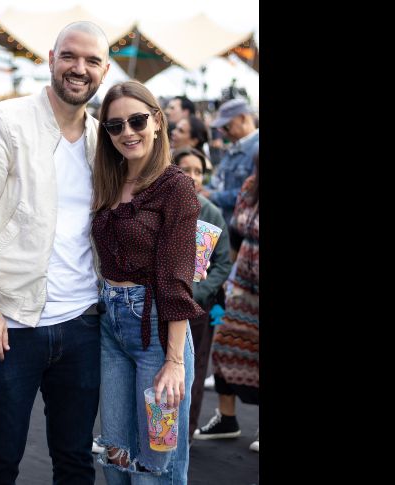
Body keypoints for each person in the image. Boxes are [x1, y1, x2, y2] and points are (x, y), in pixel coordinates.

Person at [0, 21, 111, 484]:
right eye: (69, 56)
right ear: (52, 58)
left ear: (104, 70)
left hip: (83, 323)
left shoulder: (103, 140)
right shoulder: (4, 122)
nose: (79, 68)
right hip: (10, 325)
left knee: (75, 460)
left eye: (92, 61)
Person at [91, 80, 204, 484]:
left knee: (156, 465)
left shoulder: (176, 187)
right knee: (116, 455)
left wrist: (174, 361)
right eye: (115, 125)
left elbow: (176, 280)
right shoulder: (107, 179)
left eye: (137, 121)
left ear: (157, 121)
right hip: (111, 328)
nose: (127, 132)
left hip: (158, 333)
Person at [194, 151, 259, 453]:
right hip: (242, 287)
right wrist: (224, 279)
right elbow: (235, 235)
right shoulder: (250, 187)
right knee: (224, 348)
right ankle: (227, 418)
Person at [171, 147, 232, 443]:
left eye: (198, 171)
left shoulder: (210, 212)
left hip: (197, 307)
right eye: (186, 169)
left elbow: (223, 264)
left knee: (192, 370)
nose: (193, 176)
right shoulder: (161, 204)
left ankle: (185, 435)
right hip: (162, 303)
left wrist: (198, 291)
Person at [200, 98, 258, 222]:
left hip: (240, 225)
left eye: (226, 126)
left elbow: (251, 194)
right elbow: (218, 180)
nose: (223, 132)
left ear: (242, 118)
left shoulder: (256, 149)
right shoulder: (234, 147)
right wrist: (202, 189)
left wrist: (212, 195)